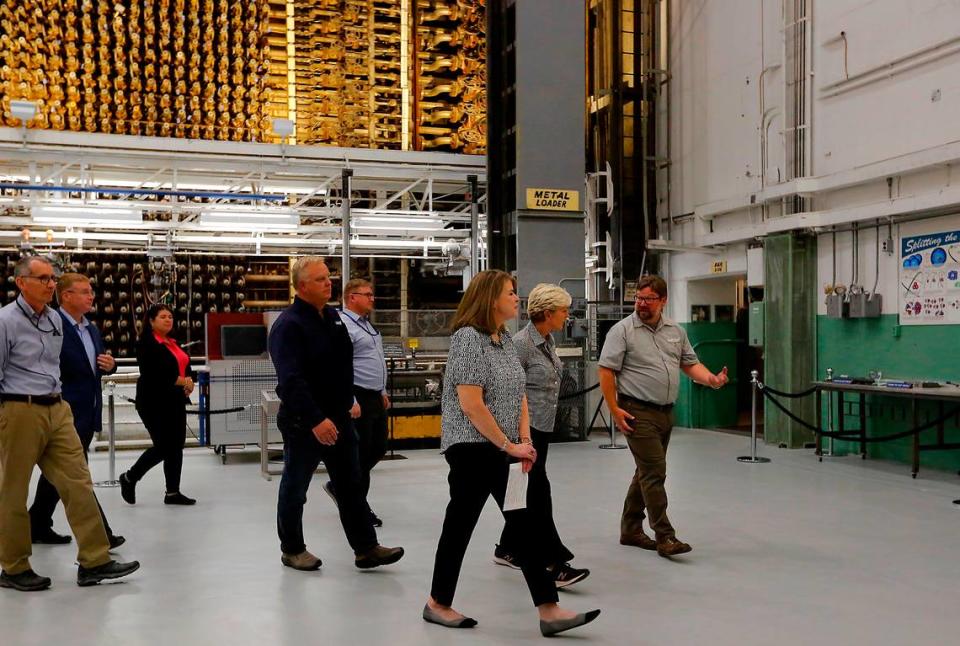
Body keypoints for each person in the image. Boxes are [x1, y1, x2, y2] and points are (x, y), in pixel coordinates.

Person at [423, 270, 600, 637]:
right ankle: (437, 604)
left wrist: (524, 442)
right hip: (471, 451)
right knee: (460, 527)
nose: (516, 298)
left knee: (526, 527)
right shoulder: (467, 339)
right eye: (510, 292)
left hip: (504, 450)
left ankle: (549, 611)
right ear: (490, 299)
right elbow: (471, 404)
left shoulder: (502, 338)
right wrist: (508, 445)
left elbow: (520, 392)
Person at [0, 256, 140, 591]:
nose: (51, 284)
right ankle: (15, 566)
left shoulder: (54, 320)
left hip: (57, 408)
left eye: (53, 278)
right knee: (14, 491)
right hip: (20, 409)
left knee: (78, 482)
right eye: (43, 279)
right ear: (22, 283)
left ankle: (94, 560)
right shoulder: (5, 321)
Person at [268, 256, 404, 571]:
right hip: (306, 422)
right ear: (302, 286)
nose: (329, 283)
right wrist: (316, 419)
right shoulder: (288, 326)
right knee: (295, 487)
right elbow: (291, 381)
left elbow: (344, 369)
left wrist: (348, 401)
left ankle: (366, 548)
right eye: (320, 279)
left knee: (351, 484)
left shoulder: (333, 319)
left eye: (328, 277)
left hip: (339, 418)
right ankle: (292, 549)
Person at [598, 274, 729, 557]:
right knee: (655, 472)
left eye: (648, 299)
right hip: (636, 411)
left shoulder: (675, 331)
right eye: (639, 298)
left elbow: (689, 364)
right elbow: (606, 370)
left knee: (646, 472)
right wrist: (613, 408)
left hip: (665, 413)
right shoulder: (622, 331)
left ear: (663, 300)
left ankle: (631, 529)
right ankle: (665, 536)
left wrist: (711, 380)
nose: (642, 304)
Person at [492, 283, 589, 588]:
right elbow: (508, 389)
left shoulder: (547, 342)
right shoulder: (520, 344)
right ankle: (552, 562)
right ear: (548, 313)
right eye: (563, 311)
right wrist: (518, 438)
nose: (567, 317)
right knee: (536, 495)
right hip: (525, 432)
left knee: (523, 493)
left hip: (542, 429)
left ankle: (507, 549)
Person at [28, 273, 125, 549]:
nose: (90, 296)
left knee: (57, 474)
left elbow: (95, 363)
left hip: (87, 410)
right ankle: (101, 535)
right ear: (66, 296)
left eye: (91, 291)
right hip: (62, 413)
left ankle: (37, 524)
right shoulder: (50, 326)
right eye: (84, 291)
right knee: (78, 475)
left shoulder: (91, 329)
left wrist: (110, 364)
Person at [326, 278, 390, 528]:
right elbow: (340, 366)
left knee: (378, 449)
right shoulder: (342, 325)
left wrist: (382, 389)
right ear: (352, 297)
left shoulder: (365, 325)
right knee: (359, 455)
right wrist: (349, 399)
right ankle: (358, 508)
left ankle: (340, 488)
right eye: (367, 294)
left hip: (374, 396)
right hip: (357, 397)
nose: (372, 298)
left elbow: (376, 358)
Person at [120, 303, 197, 506]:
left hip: (175, 400)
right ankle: (130, 477)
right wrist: (183, 381)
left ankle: (172, 492)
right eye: (163, 316)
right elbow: (157, 373)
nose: (168, 319)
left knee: (176, 446)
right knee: (164, 446)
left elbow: (185, 365)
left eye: (170, 316)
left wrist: (190, 381)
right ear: (152, 321)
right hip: (154, 402)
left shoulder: (172, 342)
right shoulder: (146, 343)